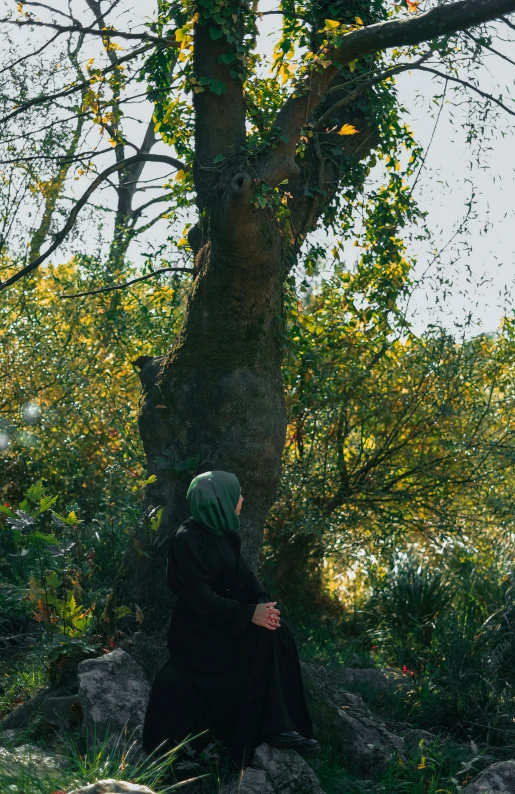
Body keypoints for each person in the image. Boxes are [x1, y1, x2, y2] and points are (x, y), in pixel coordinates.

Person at [142, 470, 320, 768]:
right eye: (236, 494)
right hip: (198, 632)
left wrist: (264, 606)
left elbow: (246, 580)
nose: (242, 499)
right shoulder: (185, 540)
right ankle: (271, 729)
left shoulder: (227, 536)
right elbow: (199, 598)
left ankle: (283, 727)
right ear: (218, 500)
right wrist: (248, 614)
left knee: (279, 630)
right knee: (263, 632)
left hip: (226, 621)